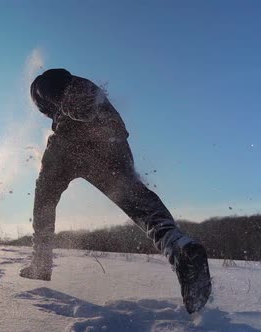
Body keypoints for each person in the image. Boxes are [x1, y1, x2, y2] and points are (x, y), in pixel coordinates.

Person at [21, 68, 212, 314]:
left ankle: (40, 263)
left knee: (44, 199)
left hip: (72, 144)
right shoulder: (90, 88)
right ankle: (178, 247)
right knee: (140, 205)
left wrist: (70, 108)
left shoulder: (46, 83)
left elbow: (55, 91)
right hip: (113, 143)